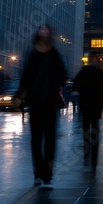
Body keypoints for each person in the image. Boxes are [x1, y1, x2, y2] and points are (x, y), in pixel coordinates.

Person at [17, 25, 67, 189]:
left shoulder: (54, 54)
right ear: (37, 33)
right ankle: (38, 173)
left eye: (47, 29)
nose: (44, 31)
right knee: (36, 140)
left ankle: (48, 175)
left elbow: (63, 76)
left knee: (50, 140)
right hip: (36, 103)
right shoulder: (32, 53)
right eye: (41, 29)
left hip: (50, 103)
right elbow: (25, 77)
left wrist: (54, 81)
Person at [72, 52, 103, 170]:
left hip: (85, 105)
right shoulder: (100, 73)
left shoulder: (83, 72)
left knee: (86, 128)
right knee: (95, 129)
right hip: (96, 106)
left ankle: (87, 151)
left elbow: (75, 86)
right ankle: (94, 156)